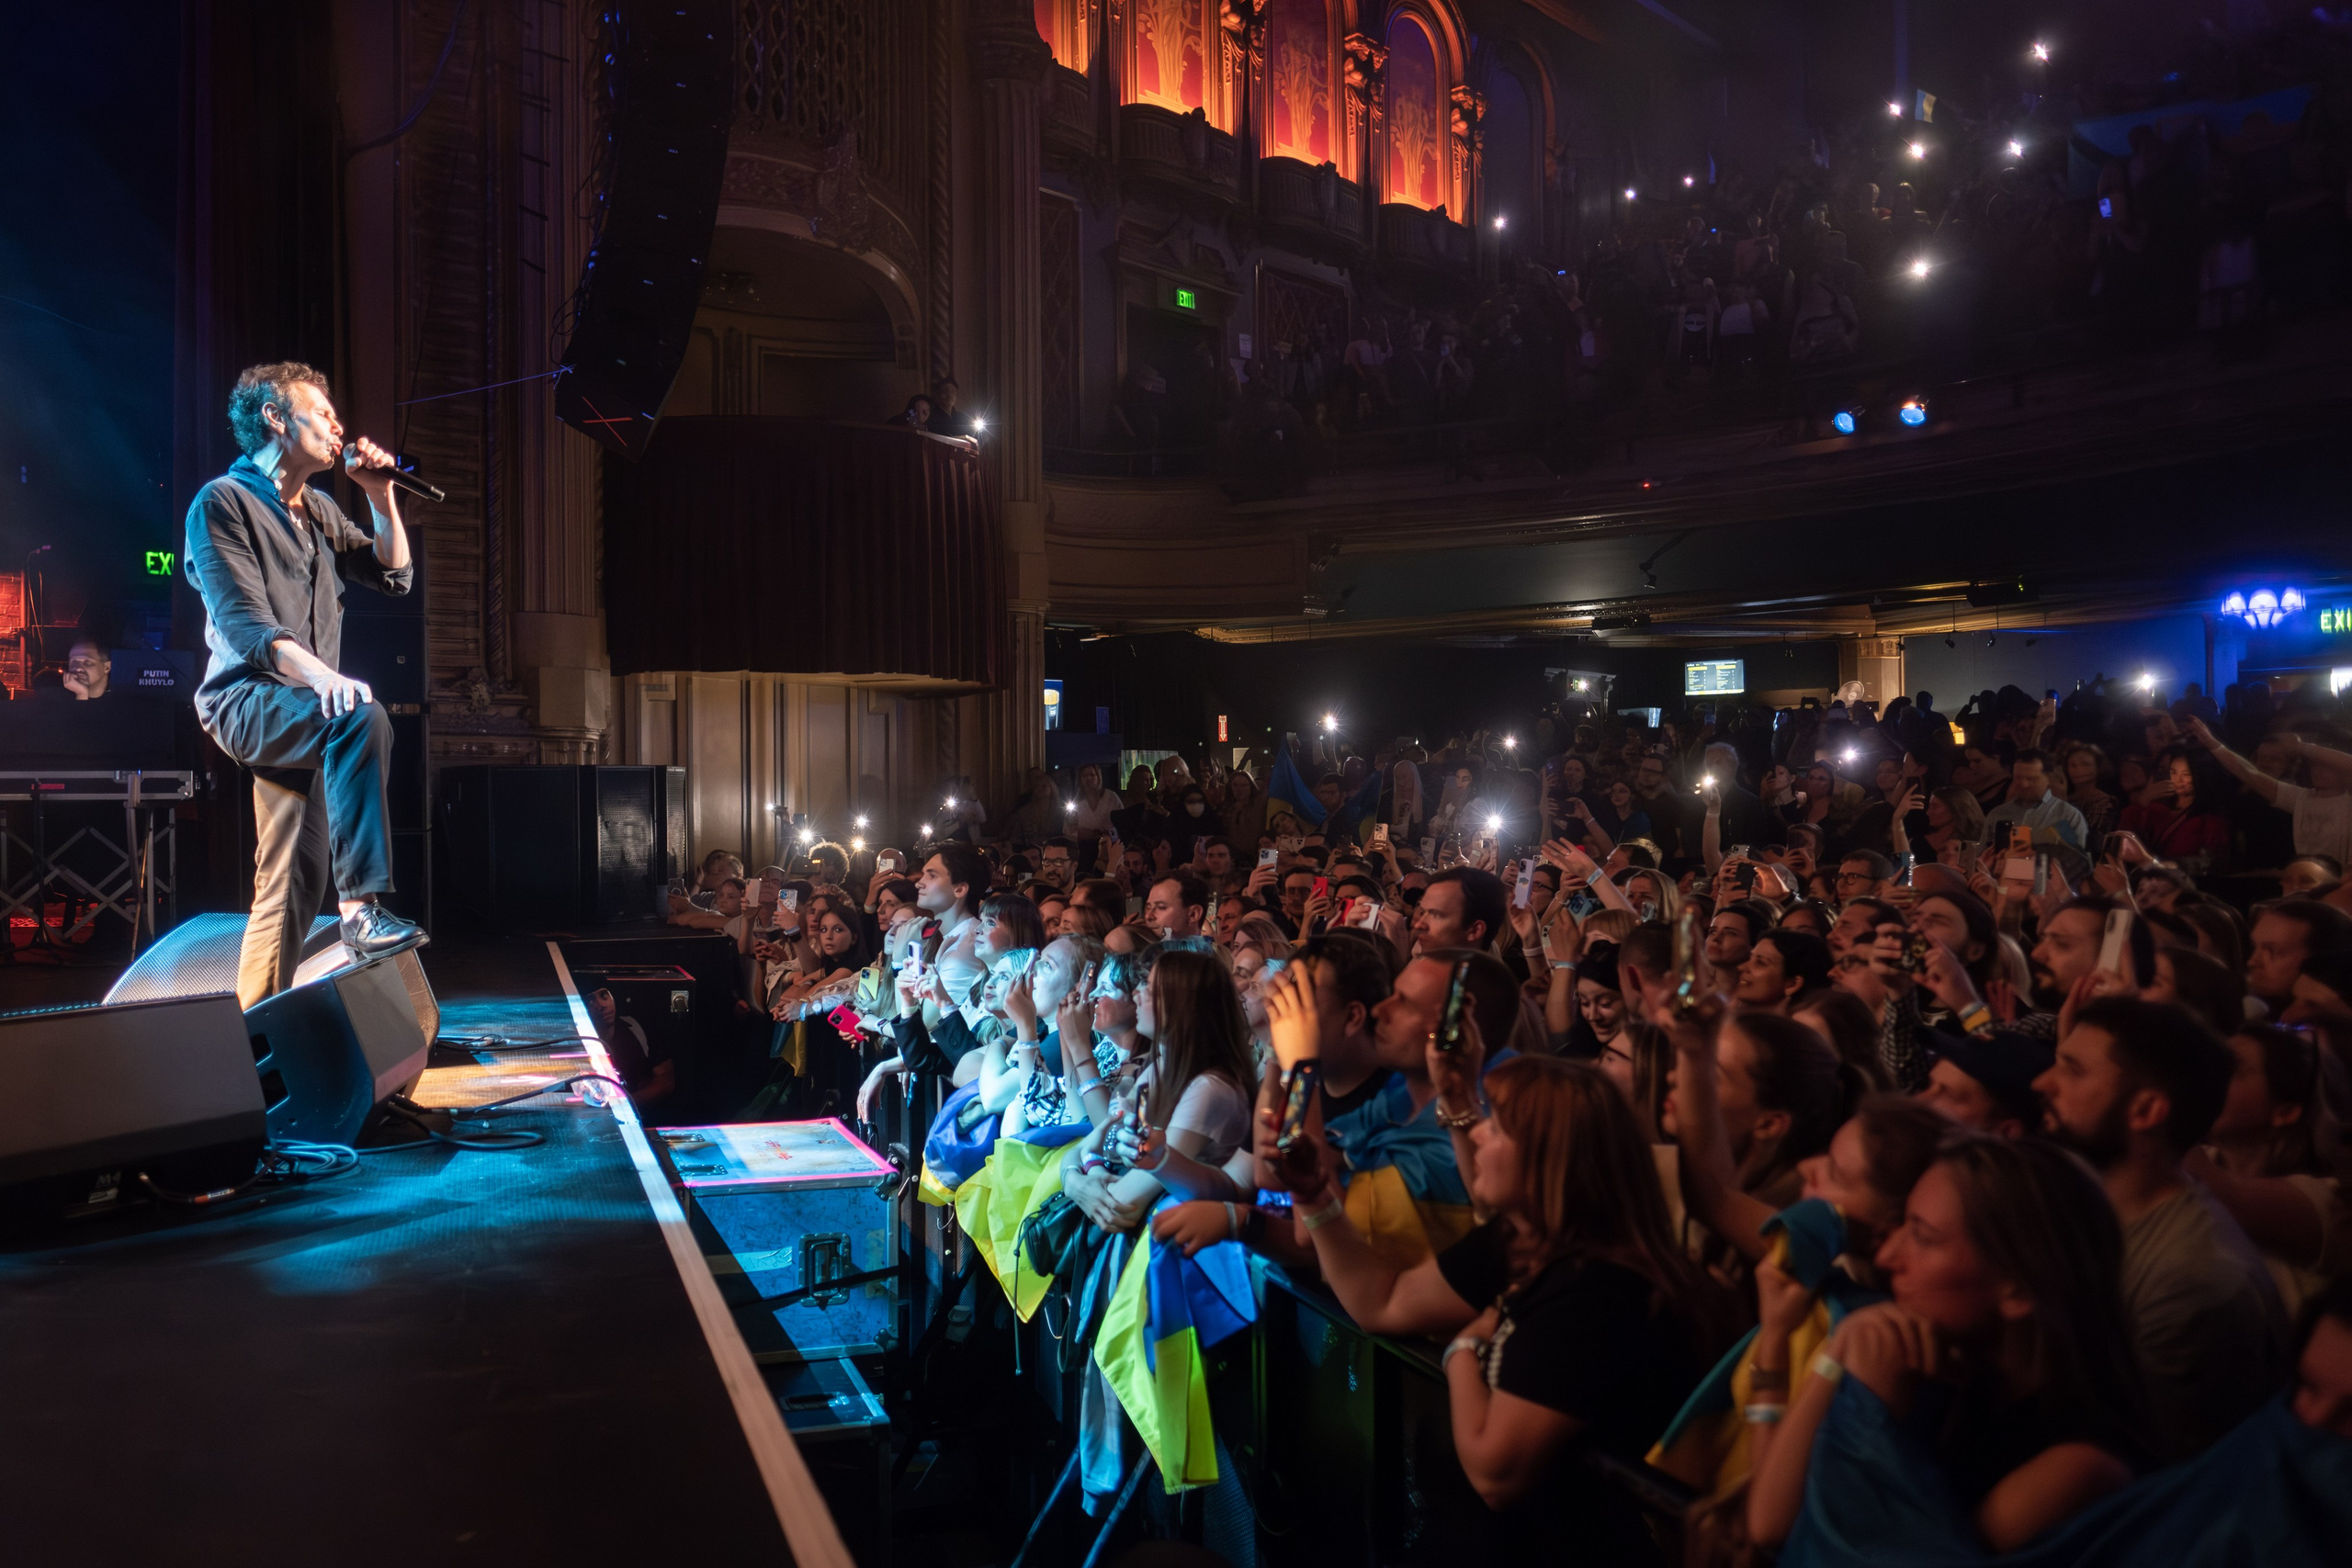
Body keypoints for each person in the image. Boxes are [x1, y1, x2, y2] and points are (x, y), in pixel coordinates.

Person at [1289, 1053, 1731, 1561]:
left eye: (1497, 1128)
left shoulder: (1600, 1291)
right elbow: (1381, 1304)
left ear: (1553, 1157)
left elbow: (1494, 1473)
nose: (1476, 1134)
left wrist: (1461, 1352)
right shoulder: (1520, 1239)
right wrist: (1316, 1197)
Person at [1748, 1136, 2148, 1553]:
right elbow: (1767, 1521)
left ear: (2016, 1291)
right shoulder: (1952, 1365)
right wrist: (1833, 1349)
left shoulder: (2077, 1469)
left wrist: (1872, 1415)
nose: (1887, 1256)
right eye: (1903, 1223)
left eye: (1923, 1237)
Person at [182, 361, 423, 1008]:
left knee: (291, 876)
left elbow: (393, 575)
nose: (338, 425)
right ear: (275, 418)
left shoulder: (316, 509)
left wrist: (378, 495)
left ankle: (255, 1032)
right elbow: (250, 629)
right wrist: (329, 679)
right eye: (322, 412)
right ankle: (362, 912)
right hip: (246, 698)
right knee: (361, 717)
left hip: (309, 706)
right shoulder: (220, 504)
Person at [2033, 997, 2290, 1460]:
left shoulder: (2194, 1280)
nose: (2041, 1083)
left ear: (2147, 1111)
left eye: (2073, 1071)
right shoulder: (2076, 1203)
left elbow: (2145, 1469)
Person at [2188, 1022, 2347, 1320]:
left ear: (2285, 1112)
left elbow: (2224, 1197)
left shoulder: (2324, 1200)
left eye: (2230, 1068)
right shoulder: (2204, 1159)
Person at [2189, 717, 2352, 872]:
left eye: (2327, 766)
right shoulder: (2300, 798)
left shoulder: (2348, 800)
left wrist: (2302, 747)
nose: (2319, 770)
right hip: (2308, 880)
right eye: (2316, 765)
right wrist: (2214, 744)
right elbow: (2249, 774)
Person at [1984, 749, 2090, 853]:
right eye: (2018, 778)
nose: (2024, 784)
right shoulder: (1997, 814)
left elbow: (2077, 863)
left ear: (2049, 778)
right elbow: (1980, 858)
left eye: (2031, 779)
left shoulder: (2069, 815)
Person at [61, 637, 111, 701]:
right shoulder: (57, 698)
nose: (78, 668)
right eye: (74, 662)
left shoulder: (120, 701)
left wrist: (81, 695)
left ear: (106, 667)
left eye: (88, 662)